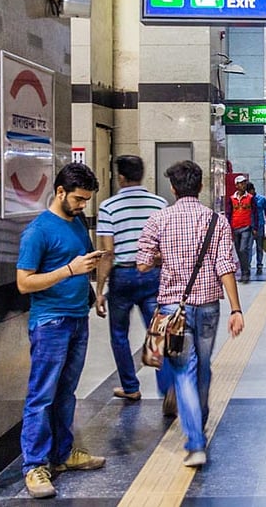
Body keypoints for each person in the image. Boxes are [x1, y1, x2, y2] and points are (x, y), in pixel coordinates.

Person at [136, 160, 244, 468]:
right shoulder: (217, 220)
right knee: (204, 365)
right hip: (210, 306)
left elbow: (142, 264)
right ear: (200, 187)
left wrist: (163, 258)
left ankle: (195, 442)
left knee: (183, 371)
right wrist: (237, 308)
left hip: (173, 309)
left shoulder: (158, 220)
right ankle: (201, 417)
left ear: (172, 188)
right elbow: (226, 266)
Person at [15, 163, 107, 499]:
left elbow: (81, 260)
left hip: (76, 318)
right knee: (42, 394)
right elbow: (24, 283)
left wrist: (93, 292)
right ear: (60, 192)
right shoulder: (38, 231)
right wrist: (69, 270)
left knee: (66, 392)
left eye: (87, 199)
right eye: (80, 199)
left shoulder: (78, 222)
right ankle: (35, 464)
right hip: (50, 322)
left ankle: (62, 454)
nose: (84, 205)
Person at [94, 155, 171, 408]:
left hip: (122, 277)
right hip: (152, 274)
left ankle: (130, 387)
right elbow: (166, 246)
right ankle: (167, 387)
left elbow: (107, 253)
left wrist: (100, 289)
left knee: (119, 334)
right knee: (158, 332)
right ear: (142, 175)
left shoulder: (108, 207)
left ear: (121, 177)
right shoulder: (159, 204)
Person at [226, 174, 254, 283]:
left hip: (246, 227)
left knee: (243, 249)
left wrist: (254, 226)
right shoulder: (232, 199)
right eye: (241, 183)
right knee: (239, 251)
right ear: (236, 185)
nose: (243, 185)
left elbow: (254, 212)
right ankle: (244, 271)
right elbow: (229, 213)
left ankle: (245, 273)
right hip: (235, 227)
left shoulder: (250, 198)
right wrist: (228, 226)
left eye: (244, 183)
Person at [248, 182, 266, 277]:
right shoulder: (247, 199)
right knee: (249, 247)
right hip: (250, 227)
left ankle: (259, 264)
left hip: (260, 225)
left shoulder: (262, 199)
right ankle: (248, 265)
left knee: (259, 247)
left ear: (253, 190)